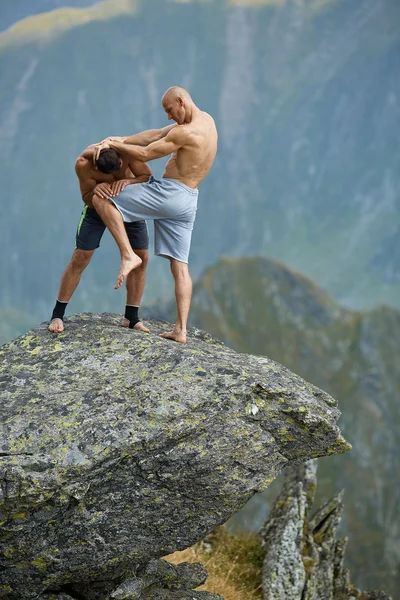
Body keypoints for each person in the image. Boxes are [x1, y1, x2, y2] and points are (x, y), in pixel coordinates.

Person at [92, 86, 218, 344]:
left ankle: (128, 255)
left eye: (170, 110)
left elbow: (147, 153)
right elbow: (156, 134)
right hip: (189, 200)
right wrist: (120, 138)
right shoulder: (207, 121)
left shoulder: (186, 132)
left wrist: (113, 145)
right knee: (180, 266)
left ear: (181, 101)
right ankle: (180, 331)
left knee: (100, 198)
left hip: (169, 194)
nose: (170, 117)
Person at [48, 124, 176, 334]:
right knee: (80, 258)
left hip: (129, 205)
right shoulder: (83, 164)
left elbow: (146, 177)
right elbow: (86, 198)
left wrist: (126, 181)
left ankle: (132, 318)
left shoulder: (126, 151)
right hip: (97, 208)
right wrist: (96, 189)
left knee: (141, 259)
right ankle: (57, 315)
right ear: (98, 169)